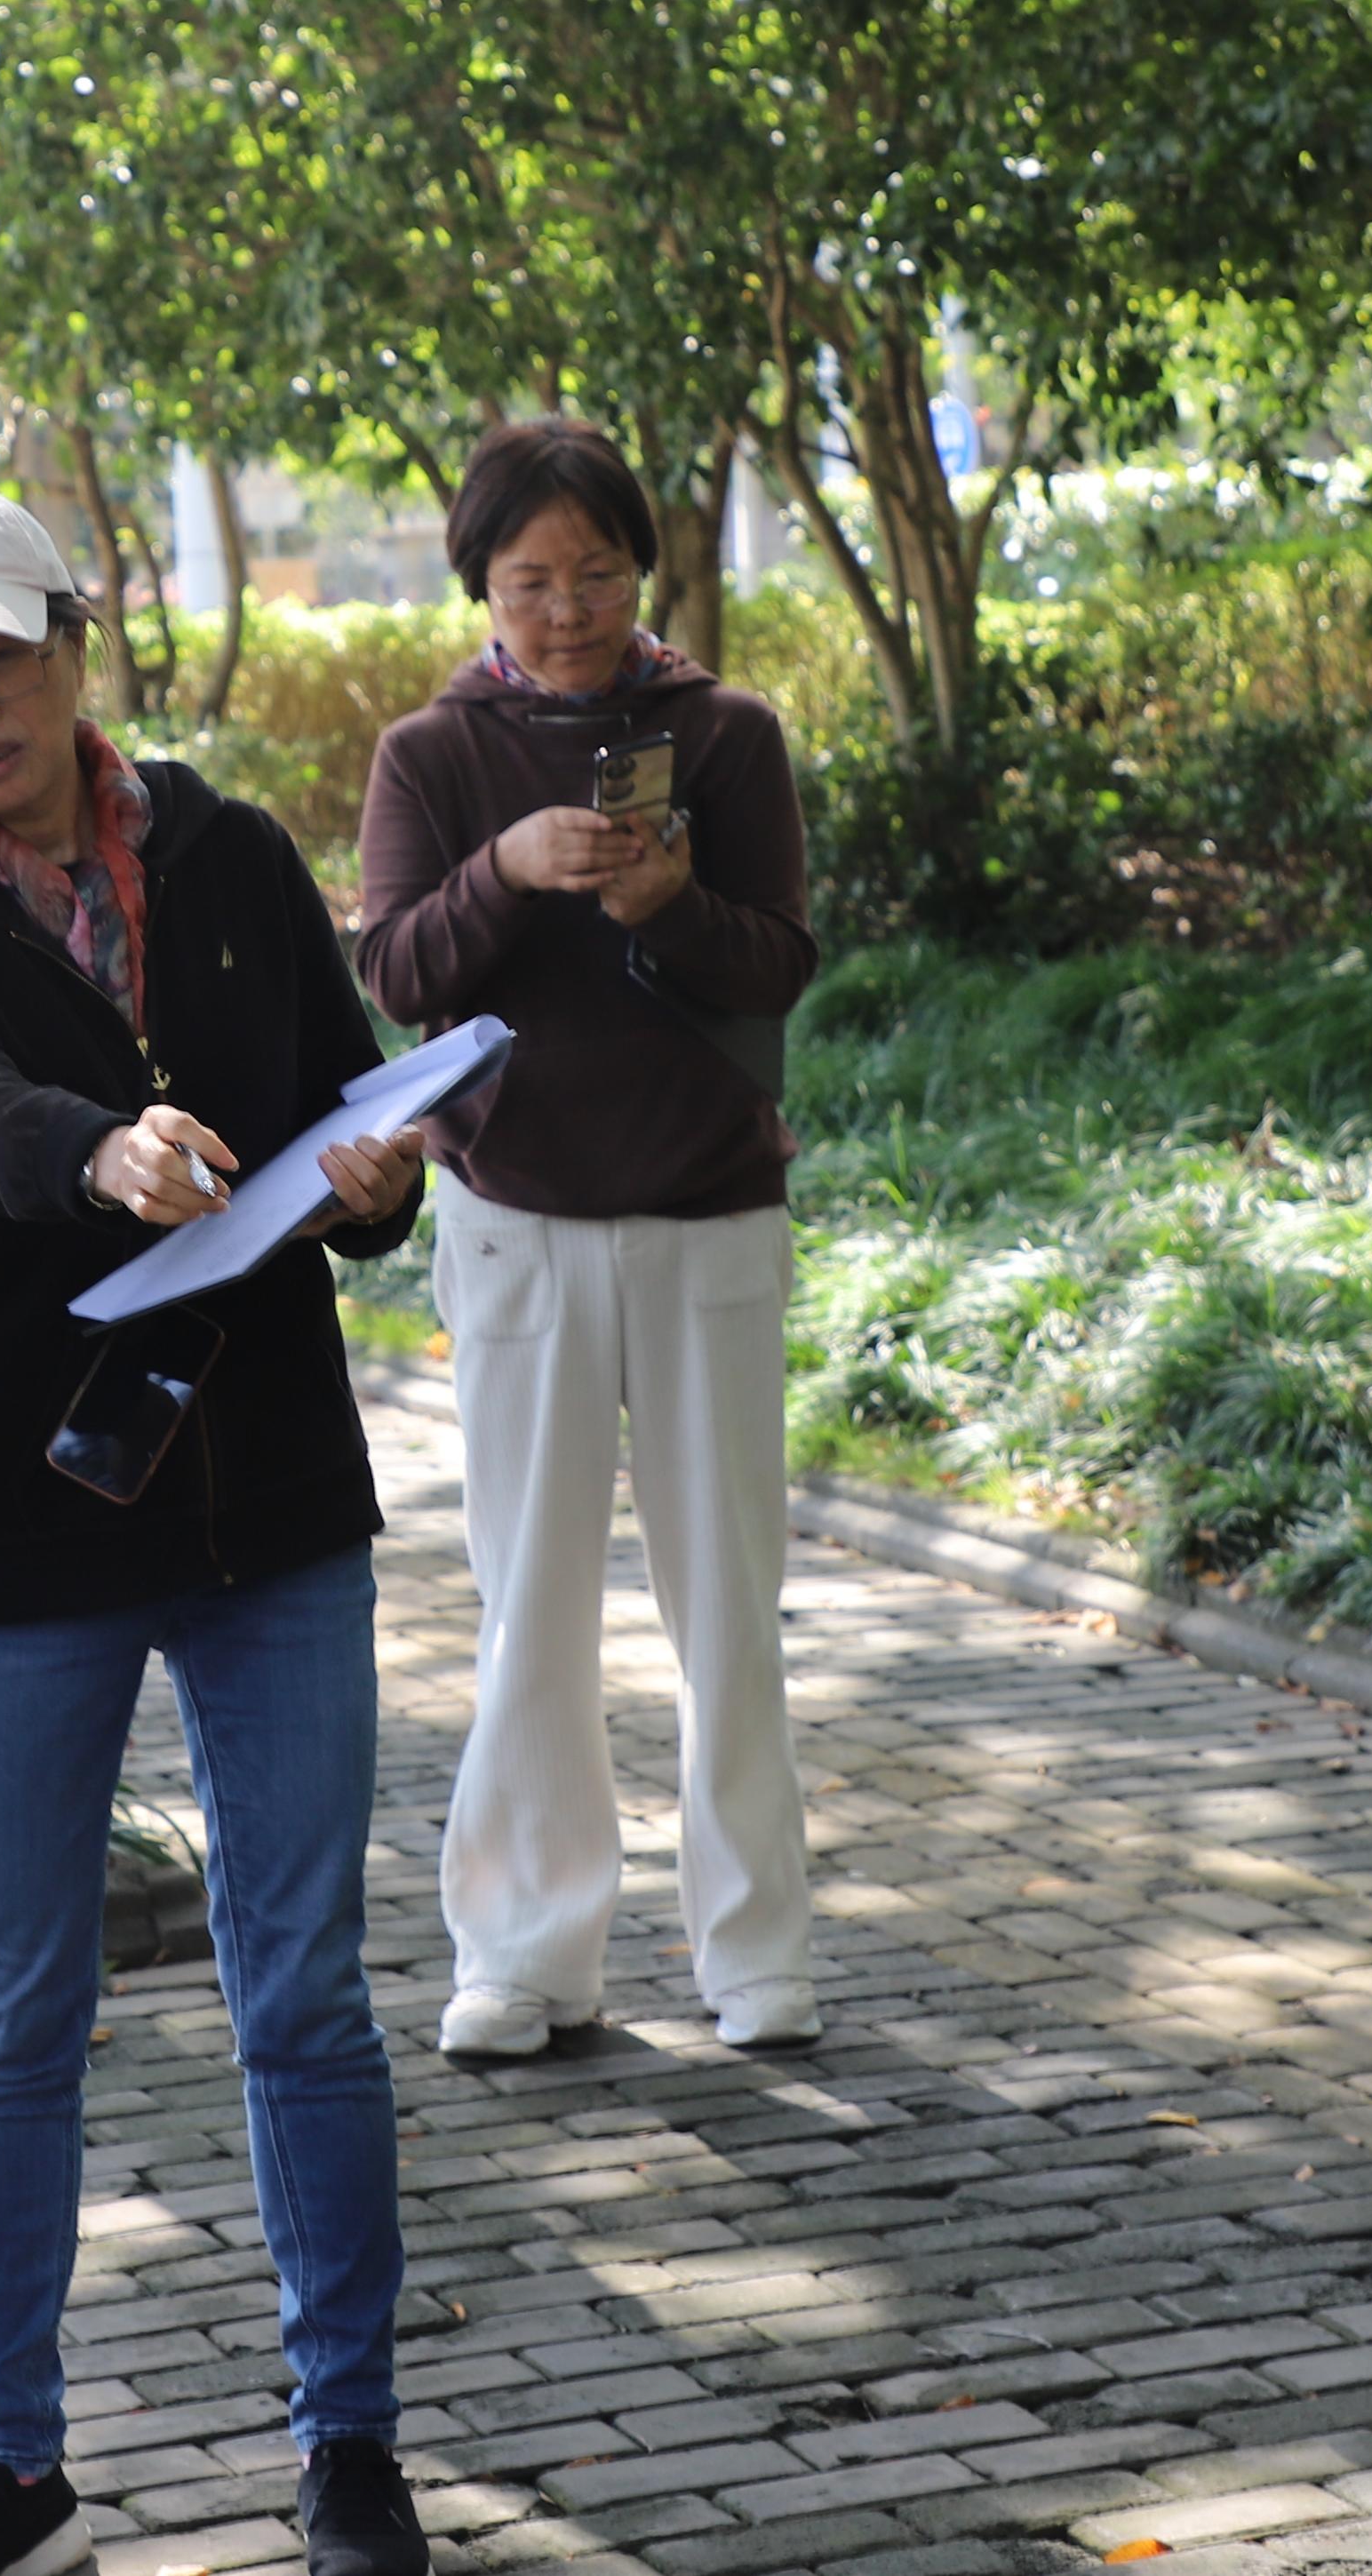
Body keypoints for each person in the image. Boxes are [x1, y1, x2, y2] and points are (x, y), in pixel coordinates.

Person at [0, 484, 435, 2576]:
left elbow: (350, 1099)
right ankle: (13, 2459)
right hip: (24, 1521)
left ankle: (351, 2442)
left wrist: (374, 1175)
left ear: (78, 648)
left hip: (274, 1505)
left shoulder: (232, 855)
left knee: (305, 1990)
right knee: (14, 2012)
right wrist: (101, 1151)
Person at [348, 418, 822, 2060]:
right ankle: (523, 1955)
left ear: (643, 572)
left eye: (598, 575)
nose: (566, 612)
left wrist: (661, 908)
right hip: (516, 1219)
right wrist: (503, 868)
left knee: (728, 1603)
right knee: (528, 1603)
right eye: (530, 581)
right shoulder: (433, 755)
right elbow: (394, 972)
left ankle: (756, 1950)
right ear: (480, 585)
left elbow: (777, 963)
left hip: (708, 1214)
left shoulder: (725, 733)